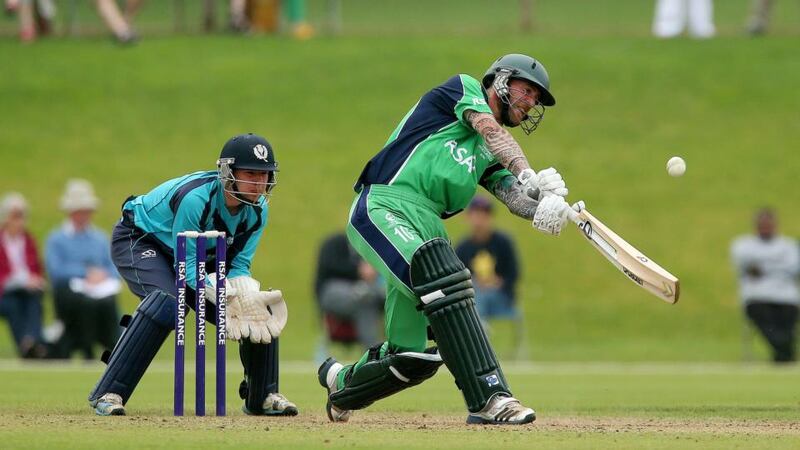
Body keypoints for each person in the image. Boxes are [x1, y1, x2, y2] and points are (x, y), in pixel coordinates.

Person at [318, 53, 580, 425]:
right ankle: (490, 399)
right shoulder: (463, 89)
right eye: (528, 91)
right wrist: (528, 172)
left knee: (409, 359)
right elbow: (490, 130)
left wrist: (547, 206)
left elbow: (513, 197)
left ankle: (341, 383)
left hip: (427, 228)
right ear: (501, 81)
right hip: (385, 205)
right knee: (448, 284)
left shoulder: (486, 154)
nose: (531, 102)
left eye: (537, 99)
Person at [88, 133, 295, 416]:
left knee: (257, 309)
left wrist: (243, 297)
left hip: (198, 256)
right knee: (168, 304)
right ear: (228, 172)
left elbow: (238, 265)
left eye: (265, 175)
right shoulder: (196, 199)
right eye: (251, 174)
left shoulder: (258, 211)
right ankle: (110, 392)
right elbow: (186, 268)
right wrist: (220, 293)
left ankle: (262, 395)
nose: (259, 183)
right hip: (143, 241)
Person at [45, 179, 122, 360]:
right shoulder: (57, 239)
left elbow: (113, 268)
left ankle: (116, 348)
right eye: (80, 211)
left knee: (106, 303)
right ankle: (87, 350)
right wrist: (85, 273)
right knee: (85, 304)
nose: (84, 215)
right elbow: (56, 271)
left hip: (99, 292)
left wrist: (101, 276)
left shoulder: (99, 238)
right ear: (71, 212)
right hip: (69, 296)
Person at [731, 208, 799, 363]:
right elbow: (748, 268)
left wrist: (765, 268)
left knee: (787, 323)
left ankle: (783, 353)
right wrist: (777, 268)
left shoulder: (788, 245)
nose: (766, 227)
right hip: (757, 296)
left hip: (786, 297)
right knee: (768, 324)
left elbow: (793, 269)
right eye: (762, 224)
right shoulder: (743, 245)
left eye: (769, 224)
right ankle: (785, 352)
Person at [315, 231, 384, 352]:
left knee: (366, 300)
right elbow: (330, 266)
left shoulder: (365, 247)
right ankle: (373, 351)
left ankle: (374, 352)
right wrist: (359, 270)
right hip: (331, 292)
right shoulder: (335, 242)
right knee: (366, 296)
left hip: (362, 296)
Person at [455, 196, 520, 322]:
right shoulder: (463, 247)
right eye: (476, 215)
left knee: (480, 298)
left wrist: (497, 283)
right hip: (474, 296)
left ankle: (480, 334)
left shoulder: (503, 243)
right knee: (476, 295)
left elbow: (513, 273)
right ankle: (481, 330)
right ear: (468, 217)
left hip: (501, 298)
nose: (479, 220)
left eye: (483, 215)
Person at [0, 192, 48, 359]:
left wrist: (35, 281)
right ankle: (29, 346)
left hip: (28, 291)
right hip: (5, 293)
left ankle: (31, 342)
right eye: (15, 217)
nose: (19, 222)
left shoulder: (28, 241)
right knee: (13, 304)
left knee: (34, 300)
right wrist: (22, 281)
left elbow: (37, 269)